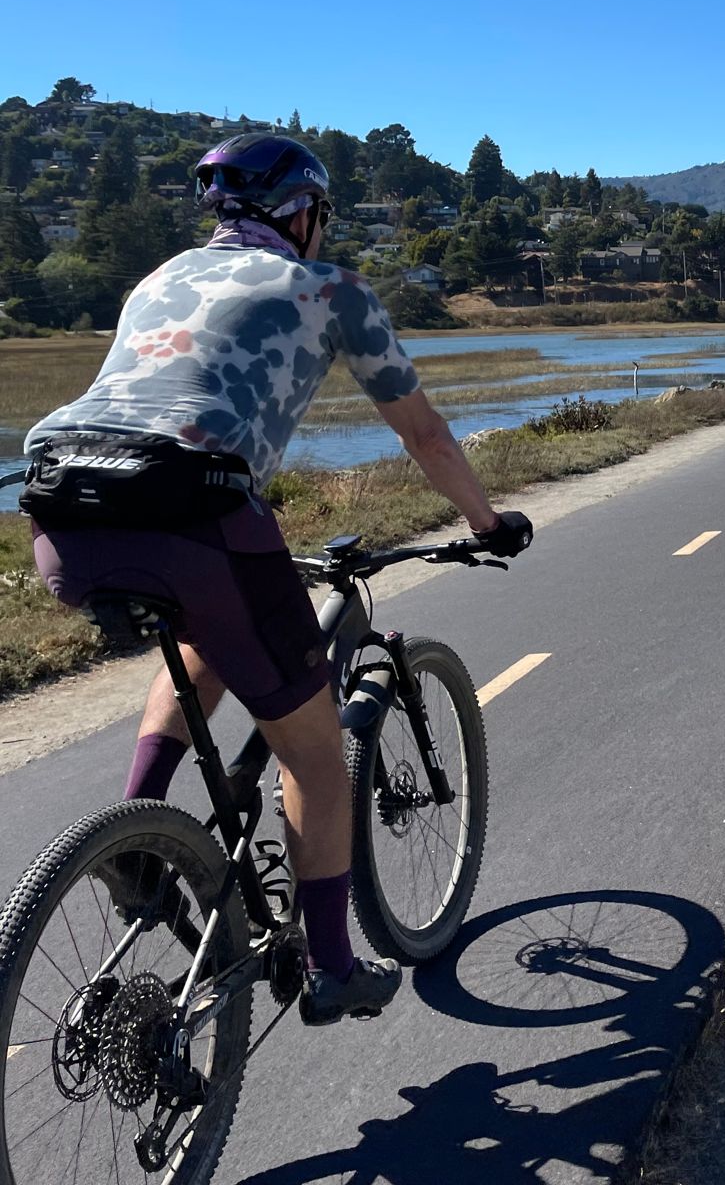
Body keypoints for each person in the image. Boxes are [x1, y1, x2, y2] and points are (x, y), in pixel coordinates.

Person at [20, 133, 533, 1026]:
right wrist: (488, 524)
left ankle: (139, 829)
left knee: (202, 633)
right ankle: (334, 965)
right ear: (303, 212)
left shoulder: (157, 277)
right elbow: (425, 436)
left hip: (62, 509)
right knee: (315, 755)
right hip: (197, 511)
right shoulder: (331, 289)